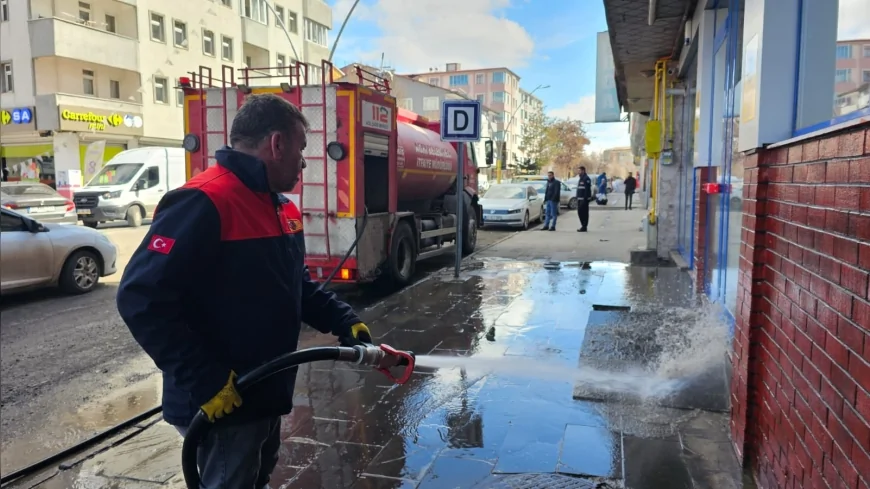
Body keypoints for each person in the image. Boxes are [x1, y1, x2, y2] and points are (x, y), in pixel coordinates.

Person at [116, 94, 372, 489]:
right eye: (301, 149)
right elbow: (140, 297)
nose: (304, 162)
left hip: (263, 392)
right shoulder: (204, 200)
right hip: (224, 400)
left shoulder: (280, 207)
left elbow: (294, 285)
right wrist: (206, 380)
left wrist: (344, 320)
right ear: (277, 144)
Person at [575, 166, 593, 232]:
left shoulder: (586, 178)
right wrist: (577, 197)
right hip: (579, 199)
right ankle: (583, 225)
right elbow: (579, 189)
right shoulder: (581, 178)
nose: (578, 172)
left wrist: (585, 199)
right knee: (579, 212)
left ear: (583, 171)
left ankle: (584, 226)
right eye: (578, 171)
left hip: (584, 199)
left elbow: (587, 190)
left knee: (584, 213)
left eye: (579, 171)